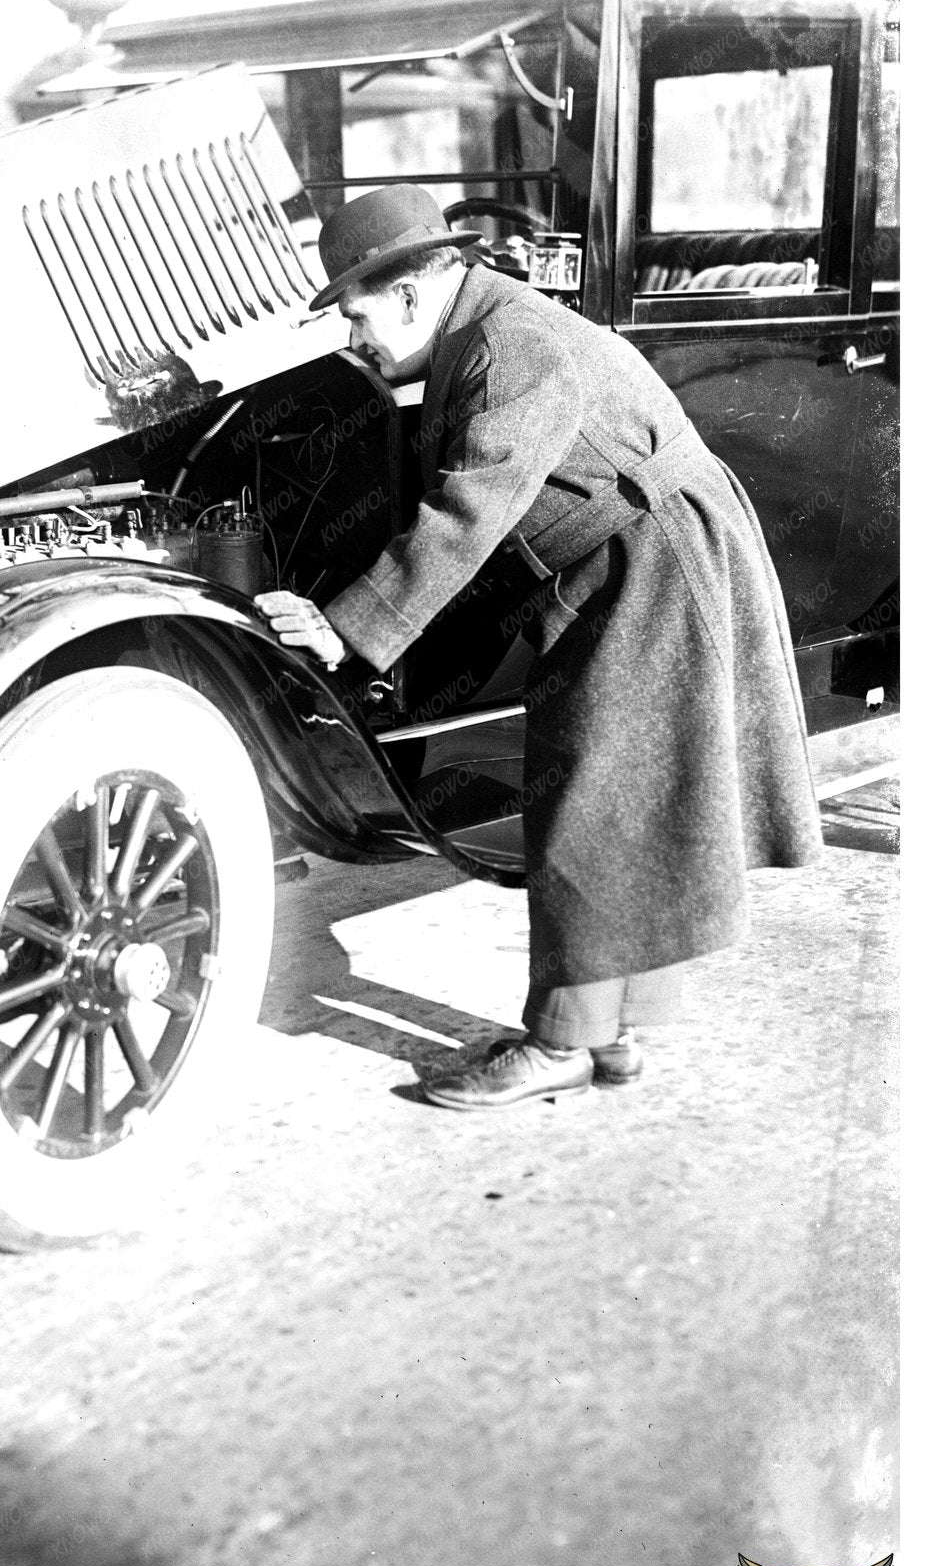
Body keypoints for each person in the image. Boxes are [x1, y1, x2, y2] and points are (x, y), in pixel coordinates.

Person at [255, 185, 822, 1110]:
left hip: (649, 557)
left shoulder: (512, 342)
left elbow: (471, 506)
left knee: (591, 793)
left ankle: (562, 1043)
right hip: (625, 553)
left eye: (355, 315)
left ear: (407, 294)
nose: (351, 339)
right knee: (634, 793)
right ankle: (612, 1031)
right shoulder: (478, 329)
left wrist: (346, 628)